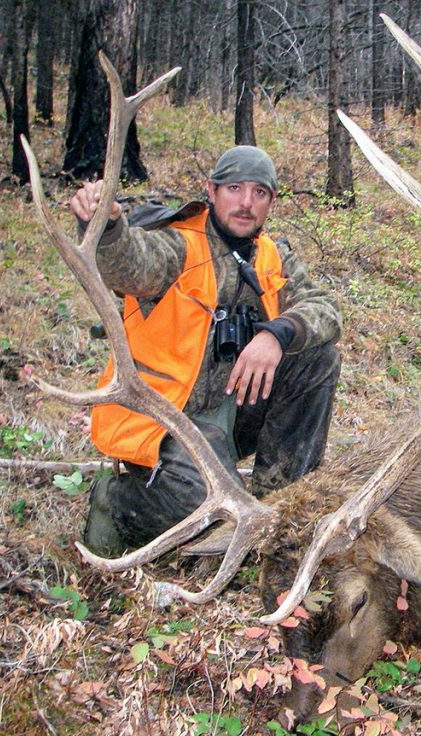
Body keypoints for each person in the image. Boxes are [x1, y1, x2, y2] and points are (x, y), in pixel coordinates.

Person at [70, 145, 342, 554]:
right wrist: (107, 228)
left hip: (232, 412)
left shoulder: (272, 254)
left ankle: (280, 511)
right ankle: (117, 500)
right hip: (167, 417)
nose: (246, 203)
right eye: (234, 188)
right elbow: (131, 264)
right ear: (210, 192)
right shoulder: (178, 247)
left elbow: (325, 309)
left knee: (318, 358)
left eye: (259, 193)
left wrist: (275, 335)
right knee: (216, 512)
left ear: (271, 201)